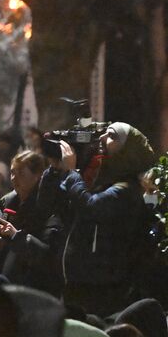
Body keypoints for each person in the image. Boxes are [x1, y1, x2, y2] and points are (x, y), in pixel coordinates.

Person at [43, 122, 157, 317]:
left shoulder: (126, 190)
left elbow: (91, 207)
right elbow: (54, 208)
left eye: (112, 136)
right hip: (78, 282)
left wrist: (71, 172)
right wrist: (55, 170)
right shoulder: (101, 183)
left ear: (128, 151)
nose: (102, 138)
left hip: (101, 288)